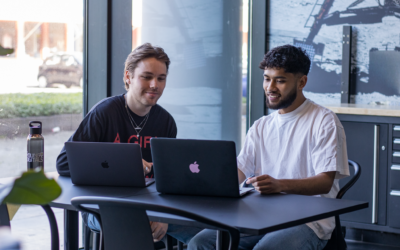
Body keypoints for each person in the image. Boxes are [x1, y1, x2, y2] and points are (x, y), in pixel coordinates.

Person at [187, 45, 350, 250]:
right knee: (200, 243)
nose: (270, 87)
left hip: (308, 221)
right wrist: (205, 184)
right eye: (267, 78)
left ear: (302, 82)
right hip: (262, 216)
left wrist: (280, 185)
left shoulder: (324, 121)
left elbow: (324, 183)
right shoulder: (261, 126)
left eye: (280, 80)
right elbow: (239, 171)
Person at [56, 43, 177, 242]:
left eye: (161, 78)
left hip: (151, 205)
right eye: (146, 77)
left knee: (204, 232)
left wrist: (164, 216)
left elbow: (169, 180)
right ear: (128, 77)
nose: (155, 84)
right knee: (133, 225)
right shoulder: (104, 113)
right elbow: (64, 164)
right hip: (103, 206)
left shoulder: (166, 122)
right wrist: (124, 167)